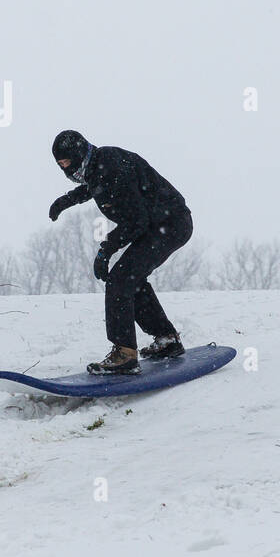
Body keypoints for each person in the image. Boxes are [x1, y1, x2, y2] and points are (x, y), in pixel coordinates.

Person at [47, 130, 193, 374]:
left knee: (120, 279)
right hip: (157, 224)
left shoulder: (111, 166)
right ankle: (167, 339)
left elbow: (136, 220)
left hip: (170, 224)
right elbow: (94, 186)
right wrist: (66, 201)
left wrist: (106, 250)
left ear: (79, 154)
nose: (66, 169)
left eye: (67, 162)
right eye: (60, 165)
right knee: (130, 279)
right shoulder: (98, 165)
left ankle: (124, 353)